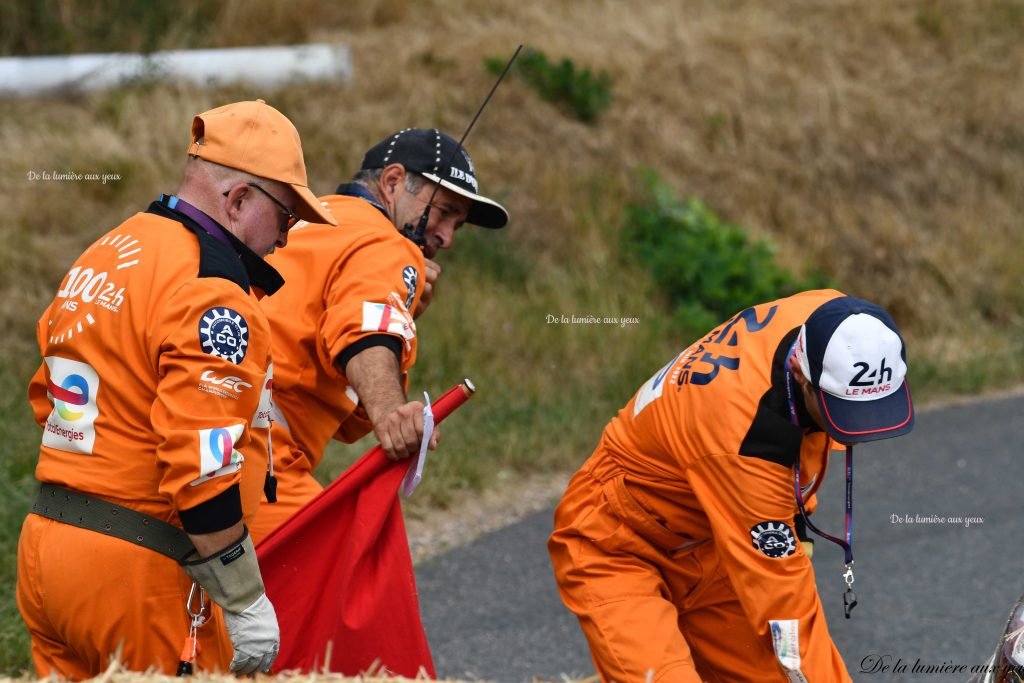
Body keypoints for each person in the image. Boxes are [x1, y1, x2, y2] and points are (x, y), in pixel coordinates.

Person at [16, 99, 336, 679]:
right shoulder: (213, 291)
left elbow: (46, 396)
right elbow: (201, 465)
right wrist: (243, 598)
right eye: (286, 218)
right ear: (239, 200)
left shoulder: (108, 251)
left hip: (45, 553)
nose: (285, 241)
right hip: (136, 572)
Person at [548, 290, 916, 682]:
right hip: (620, 545)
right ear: (800, 373)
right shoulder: (748, 442)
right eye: (843, 412)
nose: (859, 432)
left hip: (717, 538)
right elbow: (785, 609)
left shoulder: (839, 321)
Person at [249, 127, 508, 542]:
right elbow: (365, 327)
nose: (446, 237)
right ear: (391, 182)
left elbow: (348, 424)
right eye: (443, 211)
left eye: (458, 225)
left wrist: (401, 312)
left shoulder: (307, 220)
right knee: (342, 584)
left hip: (190, 431)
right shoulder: (386, 242)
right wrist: (391, 410)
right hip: (254, 454)